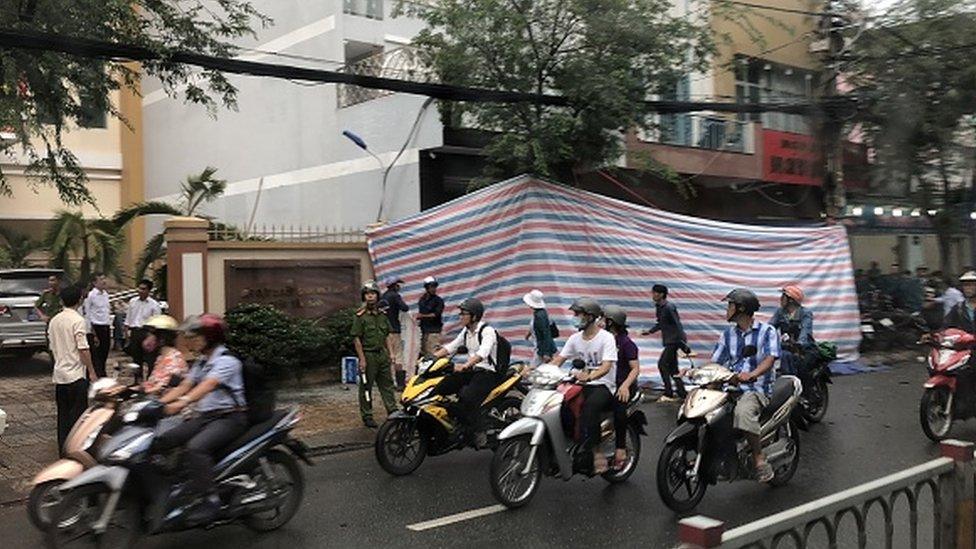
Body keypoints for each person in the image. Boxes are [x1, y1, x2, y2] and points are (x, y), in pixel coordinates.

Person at [156, 314, 248, 522]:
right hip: (207, 417)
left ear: (210, 338)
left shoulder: (227, 361)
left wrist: (182, 403)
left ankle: (211, 500)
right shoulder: (201, 362)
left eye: (196, 336)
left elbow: (208, 385)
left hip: (230, 418)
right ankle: (178, 486)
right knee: (166, 439)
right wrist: (157, 405)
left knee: (195, 448)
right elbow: (184, 386)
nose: (191, 340)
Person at [709, 289, 780, 483]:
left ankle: (759, 458)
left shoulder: (767, 331)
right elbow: (716, 361)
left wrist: (753, 374)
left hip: (756, 388)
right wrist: (700, 373)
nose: (727, 309)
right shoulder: (727, 334)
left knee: (743, 412)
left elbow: (770, 358)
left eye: (730, 305)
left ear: (741, 308)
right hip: (730, 389)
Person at [548, 298, 617, 474]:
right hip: (580, 382)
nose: (574, 317)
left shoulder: (606, 338)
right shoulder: (574, 338)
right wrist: (540, 371)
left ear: (590, 317)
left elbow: (606, 366)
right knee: (556, 404)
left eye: (577, 314)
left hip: (603, 385)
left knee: (590, 406)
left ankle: (596, 452)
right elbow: (559, 359)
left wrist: (590, 376)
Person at [433, 298, 500, 448]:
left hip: (487, 373)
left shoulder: (487, 331)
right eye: (460, 313)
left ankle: (479, 431)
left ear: (474, 316)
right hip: (471, 371)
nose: (460, 316)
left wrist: (466, 364)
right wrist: (432, 357)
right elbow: (452, 346)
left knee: (468, 397)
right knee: (441, 386)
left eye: (464, 314)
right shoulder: (466, 331)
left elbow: (483, 352)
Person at [48, 285, 98, 455]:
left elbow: (52, 347)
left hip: (60, 376)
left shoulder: (54, 320)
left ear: (62, 300)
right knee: (77, 418)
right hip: (76, 375)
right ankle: (76, 451)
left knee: (63, 417)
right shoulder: (78, 321)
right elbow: (83, 349)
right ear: (80, 300)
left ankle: (63, 451)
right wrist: (91, 371)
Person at [351, 280, 399, 428]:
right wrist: (362, 359)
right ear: (364, 297)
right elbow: (356, 338)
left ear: (377, 296)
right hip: (368, 355)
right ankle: (367, 416)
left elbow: (387, 335)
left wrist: (391, 354)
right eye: (367, 294)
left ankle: (392, 411)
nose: (370, 297)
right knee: (366, 387)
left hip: (382, 355)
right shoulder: (360, 316)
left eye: (372, 294)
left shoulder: (382, 315)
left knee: (387, 385)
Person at [603, 305, 639, 471]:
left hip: (624, 386)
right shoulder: (603, 340)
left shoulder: (626, 344)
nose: (600, 322)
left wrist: (625, 385)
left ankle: (620, 449)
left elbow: (635, 369)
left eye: (603, 319)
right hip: (605, 383)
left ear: (610, 322)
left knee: (619, 409)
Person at [642, 284, 690, 402]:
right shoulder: (659, 307)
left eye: (655, 293)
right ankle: (682, 393)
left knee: (662, 364)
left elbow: (678, 324)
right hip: (669, 340)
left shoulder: (669, 307)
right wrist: (649, 332)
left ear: (662, 294)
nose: (653, 295)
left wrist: (683, 342)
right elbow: (660, 323)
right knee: (673, 369)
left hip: (674, 341)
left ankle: (668, 393)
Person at [769, 285, 815, 380]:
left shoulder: (805, 313)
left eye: (783, 296)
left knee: (804, 370)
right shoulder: (780, 312)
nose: (781, 299)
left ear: (791, 300)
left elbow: (806, 330)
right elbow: (770, 327)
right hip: (787, 346)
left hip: (803, 348)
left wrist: (800, 343)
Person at [140, 315, 189, 394]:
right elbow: (153, 382)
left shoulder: (174, 360)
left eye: (149, 337)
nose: (146, 342)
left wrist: (143, 391)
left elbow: (165, 387)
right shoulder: (161, 357)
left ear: (162, 339)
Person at [125, 279, 162, 380]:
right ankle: (138, 380)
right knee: (136, 359)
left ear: (148, 291)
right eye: (139, 288)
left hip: (147, 333)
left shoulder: (154, 305)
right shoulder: (133, 302)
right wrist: (127, 333)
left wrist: (153, 336)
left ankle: (150, 381)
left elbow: (157, 322)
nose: (140, 291)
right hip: (135, 331)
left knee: (150, 359)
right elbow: (128, 318)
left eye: (143, 289)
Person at [381, 276, 410, 389]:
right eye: (398, 284)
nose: (399, 287)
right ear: (394, 286)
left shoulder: (383, 297)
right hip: (394, 330)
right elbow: (405, 308)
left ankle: (388, 382)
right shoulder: (395, 296)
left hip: (384, 331)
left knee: (388, 356)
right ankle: (400, 384)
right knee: (398, 357)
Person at [83, 273, 111, 378]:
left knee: (105, 351)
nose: (104, 281)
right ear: (94, 283)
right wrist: (91, 331)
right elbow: (88, 314)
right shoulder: (91, 295)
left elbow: (106, 311)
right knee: (97, 354)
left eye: (105, 278)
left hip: (105, 326)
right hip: (96, 327)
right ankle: (97, 375)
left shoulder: (105, 294)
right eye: (101, 279)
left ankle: (102, 372)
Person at [523, 289, 557, 366]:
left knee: (533, 369)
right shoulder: (539, 313)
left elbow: (546, 334)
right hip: (539, 347)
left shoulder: (540, 316)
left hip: (542, 348)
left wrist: (546, 353)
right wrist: (528, 334)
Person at [34, 274, 63, 360]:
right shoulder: (46, 294)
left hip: (61, 323)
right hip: (50, 323)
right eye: (50, 280)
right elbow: (36, 306)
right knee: (51, 345)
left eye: (53, 280)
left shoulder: (64, 294)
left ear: (58, 281)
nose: (51, 283)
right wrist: (42, 315)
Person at [417, 276, 444, 358]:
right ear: (426, 288)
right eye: (431, 286)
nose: (434, 289)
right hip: (424, 332)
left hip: (434, 332)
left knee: (434, 355)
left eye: (435, 286)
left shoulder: (438, 300)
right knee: (424, 355)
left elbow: (436, 314)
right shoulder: (422, 300)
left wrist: (422, 316)